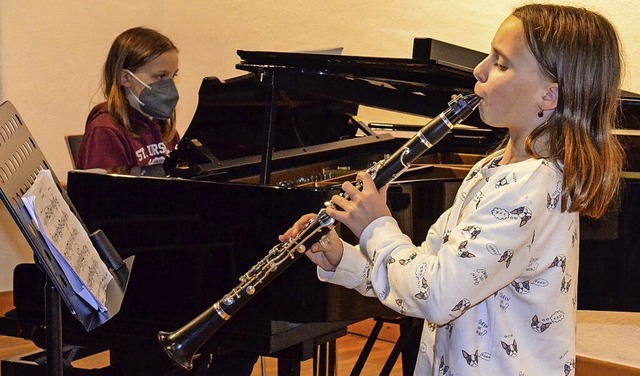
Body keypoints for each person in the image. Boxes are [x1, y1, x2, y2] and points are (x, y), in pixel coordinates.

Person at [280, 4, 624, 375]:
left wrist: (376, 227)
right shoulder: (492, 169)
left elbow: (437, 294)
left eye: (501, 63)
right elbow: (424, 272)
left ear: (549, 96)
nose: (479, 69)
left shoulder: (530, 188)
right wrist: (344, 257)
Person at [75, 26, 180, 174]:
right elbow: (101, 194)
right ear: (125, 78)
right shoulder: (105, 132)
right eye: (160, 76)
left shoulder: (165, 130)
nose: (169, 86)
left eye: (173, 76)